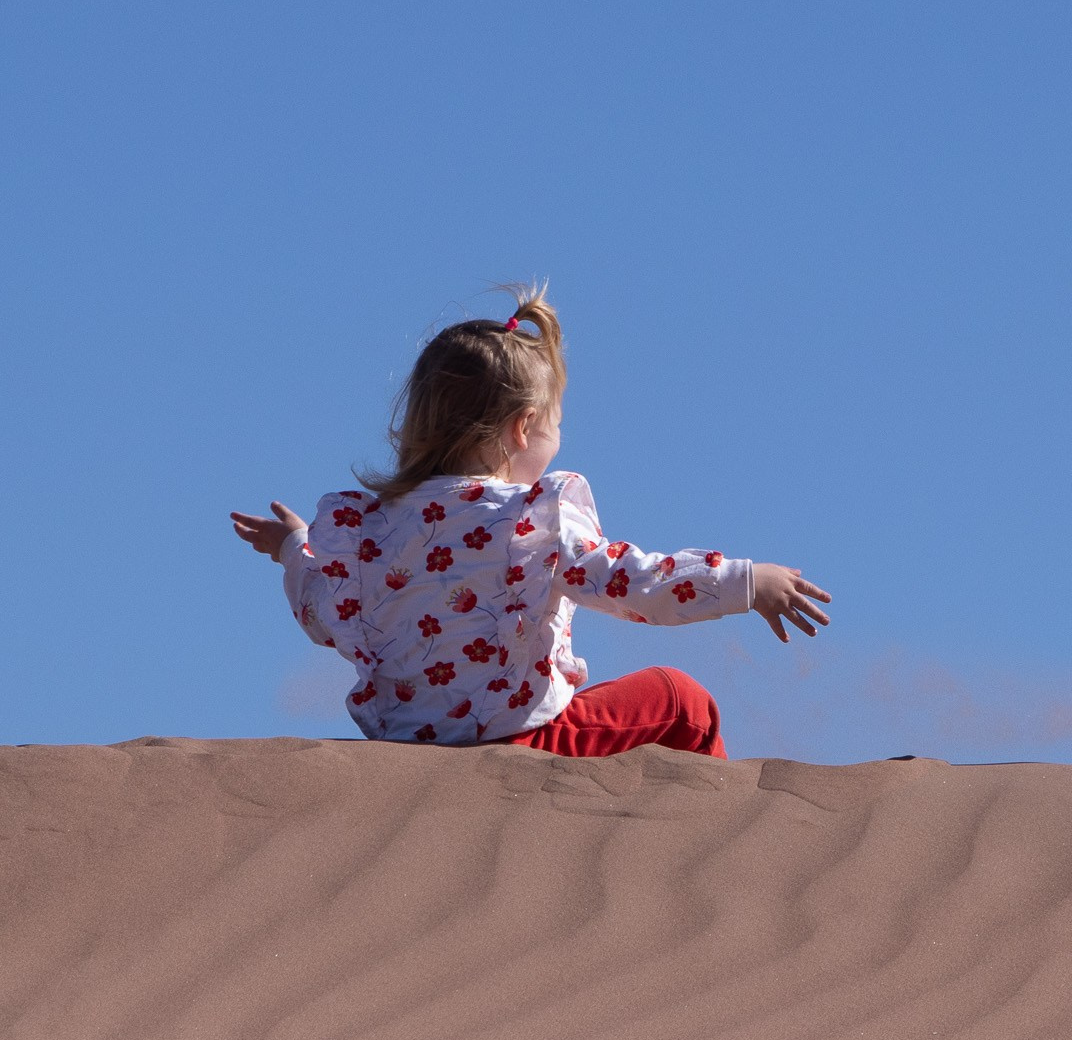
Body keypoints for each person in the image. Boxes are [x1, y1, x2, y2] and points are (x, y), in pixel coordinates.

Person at [230, 285, 831, 756]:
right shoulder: (533, 520)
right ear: (523, 427)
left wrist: (293, 547)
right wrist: (749, 582)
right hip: (525, 744)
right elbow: (639, 585)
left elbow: (319, 611)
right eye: (556, 423)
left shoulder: (365, 535)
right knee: (683, 702)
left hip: (404, 753)